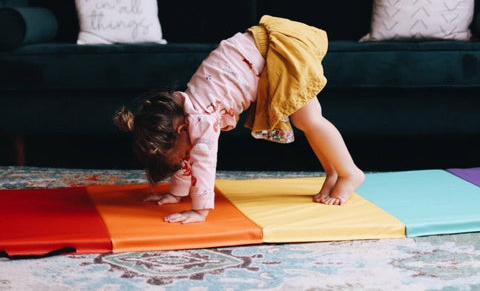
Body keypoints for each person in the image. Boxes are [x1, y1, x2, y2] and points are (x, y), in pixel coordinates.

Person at [113, 15, 365, 224]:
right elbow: (189, 160)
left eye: (183, 154)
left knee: (309, 120)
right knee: (306, 121)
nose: (186, 159)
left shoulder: (200, 118)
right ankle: (333, 173)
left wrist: (199, 210)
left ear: (180, 129)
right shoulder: (184, 107)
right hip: (266, 46)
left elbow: (203, 161)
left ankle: (350, 173)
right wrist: (175, 194)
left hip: (279, 49)